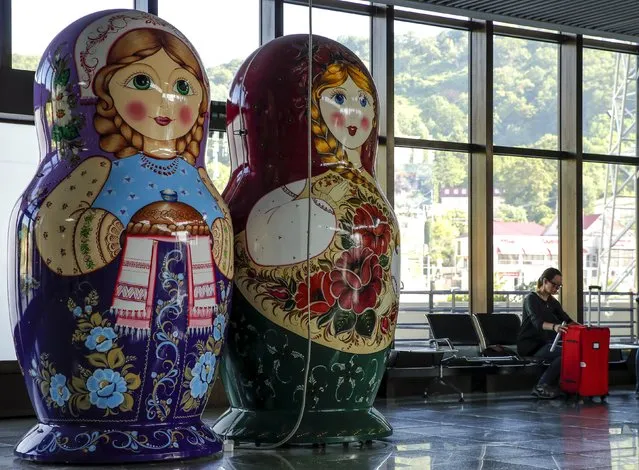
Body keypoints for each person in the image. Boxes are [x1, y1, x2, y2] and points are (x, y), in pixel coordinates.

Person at [517, 267, 575, 399]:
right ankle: (541, 386)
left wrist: (586, 329)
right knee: (566, 354)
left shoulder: (552, 302)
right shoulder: (530, 299)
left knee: (569, 353)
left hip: (544, 344)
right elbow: (537, 322)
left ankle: (555, 385)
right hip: (530, 345)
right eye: (554, 285)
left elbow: (567, 320)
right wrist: (555, 327)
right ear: (544, 281)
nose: (556, 289)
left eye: (559, 286)